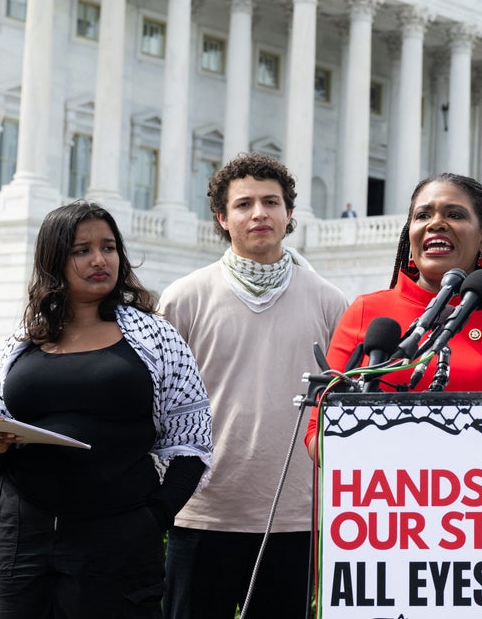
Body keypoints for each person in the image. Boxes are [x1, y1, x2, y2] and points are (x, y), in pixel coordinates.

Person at [0, 201, 213, 617]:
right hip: (18, 533)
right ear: (54, 260)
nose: (100, 259)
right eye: (81, 250)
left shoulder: (157, 338)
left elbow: (191, 444)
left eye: (109, 247)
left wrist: (153, 517)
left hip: (116, 535)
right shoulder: (21, 342)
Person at [160, 153, 347, 619]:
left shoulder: (330, 301)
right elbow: (157, 405)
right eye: (244, 204)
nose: (259, 213)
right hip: (201, 512)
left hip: (295, 519)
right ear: (222, 218)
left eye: (271, 202)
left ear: (290, 214)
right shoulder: (183, 298)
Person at [304, 172, 482, 454]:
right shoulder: (369, 311)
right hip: (387, 491)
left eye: (455, 214)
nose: (436, 223)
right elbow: (318, 436)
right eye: (423, 215)